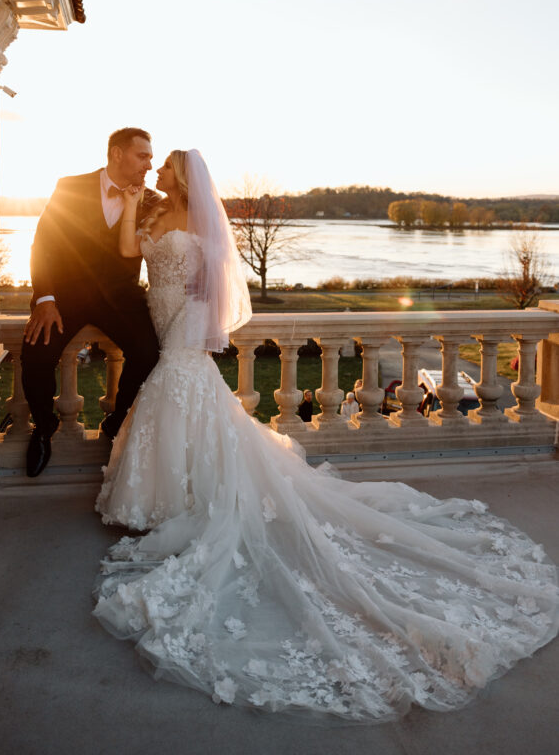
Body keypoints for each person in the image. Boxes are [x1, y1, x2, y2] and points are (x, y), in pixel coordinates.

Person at [93, 149, 559, 721]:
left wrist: (199, 314)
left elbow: (215, 283)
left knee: (180, 381)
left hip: (184, 319)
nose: (158, 172)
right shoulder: (155, 211)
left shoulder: (202, 223)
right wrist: (139, 201)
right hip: (158, 312)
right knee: (181, 392)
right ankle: (182, 485)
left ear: (184, 176)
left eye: (165, 167)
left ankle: (185, 491)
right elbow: (125, 252)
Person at [21, 127, 160, 477]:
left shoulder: (153, 201)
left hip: (122, 297)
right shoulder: (70, 187)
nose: (149, 163)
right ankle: (44, 427)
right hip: (67, 296)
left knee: (148, 352)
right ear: (117, 153)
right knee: (35, 352)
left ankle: (116, 422)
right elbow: (44, 244)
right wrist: (46, 298)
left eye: (150, 157)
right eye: (142, 155)